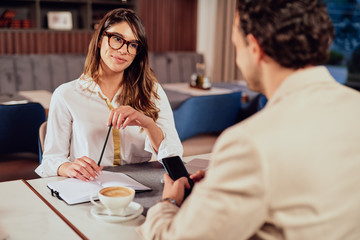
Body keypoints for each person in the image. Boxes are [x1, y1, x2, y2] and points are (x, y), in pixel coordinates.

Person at [138, 0, 360, 239]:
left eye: (236, 46)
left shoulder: (249, 143)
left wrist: (169, 202)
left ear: (254, 48)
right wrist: (229, 178)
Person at [35, 8, 183, 181]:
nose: (123, 50)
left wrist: (148, 124)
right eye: (117, 39)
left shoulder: (152, 91)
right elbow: (52, 160)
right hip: (89, 186)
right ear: (99, 40)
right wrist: (68, 167)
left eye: (133, 44)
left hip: (142, 185)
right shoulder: (65, 94)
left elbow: (174, 154)